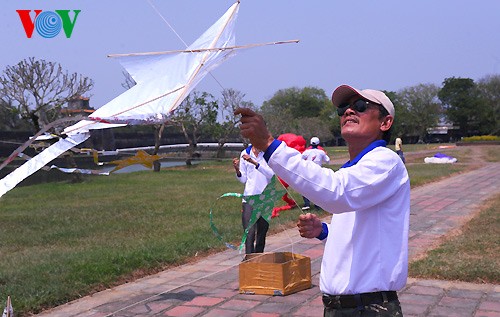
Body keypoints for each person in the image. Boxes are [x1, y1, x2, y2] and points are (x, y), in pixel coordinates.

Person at [235, 84, 410, 316]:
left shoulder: (385, 161)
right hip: (339, 307)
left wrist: (269, 145)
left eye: (360, 106)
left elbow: (337, 192)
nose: (349, 111)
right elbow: (358, 226)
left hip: (370, 308)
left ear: (385, 123)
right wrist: (324, 231)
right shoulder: (355, 169)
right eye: (343, 109)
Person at [232, 144, 274, 254]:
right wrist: (237, 170)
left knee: (262, 232)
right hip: (249, 197)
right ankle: (249, 260)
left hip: (265, 198)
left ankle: (259, 258)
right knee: (249, 232)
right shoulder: (245, 153)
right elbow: (243, 179)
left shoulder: (268, 153)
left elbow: (271, 175)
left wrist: (255, 163)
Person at [301, 136, 330, 210]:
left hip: (308, 172)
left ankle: (307, 204)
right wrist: (325, 154)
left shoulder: (307, 152)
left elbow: (300, 159)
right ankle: (318, 205)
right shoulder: (321, 152)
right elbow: (328, 161)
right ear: (318, 144)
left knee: (305, 188)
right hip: (318, 173)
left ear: (310, 143)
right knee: (317, 188)